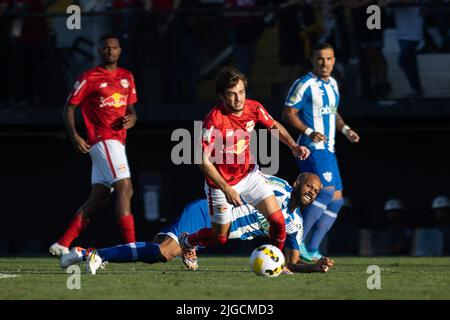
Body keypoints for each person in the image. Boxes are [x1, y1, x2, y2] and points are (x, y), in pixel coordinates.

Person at [59, 172, 334, 275]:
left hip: (215, 233)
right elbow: (246, 177)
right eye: (309, 185)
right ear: (298, 182)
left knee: (157, 253)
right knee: (162, 252)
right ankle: (94, 254)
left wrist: (315, 267)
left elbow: (291, 263)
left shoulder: (295, 223)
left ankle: (83, 253)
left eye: (317, 191)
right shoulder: (277, 186)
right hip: (207, 213)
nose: (312, 191)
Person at [179, 67, 310, 255]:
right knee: (220, 237)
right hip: (220, 184)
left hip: (249, 176)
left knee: (278, 222)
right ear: (221, 97)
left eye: (241, 92)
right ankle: (188, 241)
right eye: (231, 94)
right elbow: (201, 160)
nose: (238, 98)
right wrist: (227, 189)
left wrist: (293, 146)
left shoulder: (253, 107)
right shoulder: (213, 121)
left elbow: (272, 125)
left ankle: (275, 262)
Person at [49, 34, 138, 257]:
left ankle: (62, 244)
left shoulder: (127, 77)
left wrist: (132, 119)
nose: (111, 51)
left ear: (120, 50)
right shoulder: (89, 78)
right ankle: (132, 248)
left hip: (118, 142)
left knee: (98, 198)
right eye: (106, 48)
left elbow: (132, 110)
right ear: (99, 51)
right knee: (125, 189)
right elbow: (68, 108)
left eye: (115, 47)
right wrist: (75, 136)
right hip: (103, 139)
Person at [281, 43, 360, 262]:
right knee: (325, 192)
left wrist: (346, 130)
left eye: (328, 59)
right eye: (320, 59)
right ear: (313, 61)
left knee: (336, 200)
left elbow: (333, 113)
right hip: (311, 147)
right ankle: (295, 244)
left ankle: (311, 249)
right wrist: (309, 131)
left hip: (330, 148)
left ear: (334, 60)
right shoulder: (303, 84)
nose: (324, 63)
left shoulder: (333, 83)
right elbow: (288, 113)